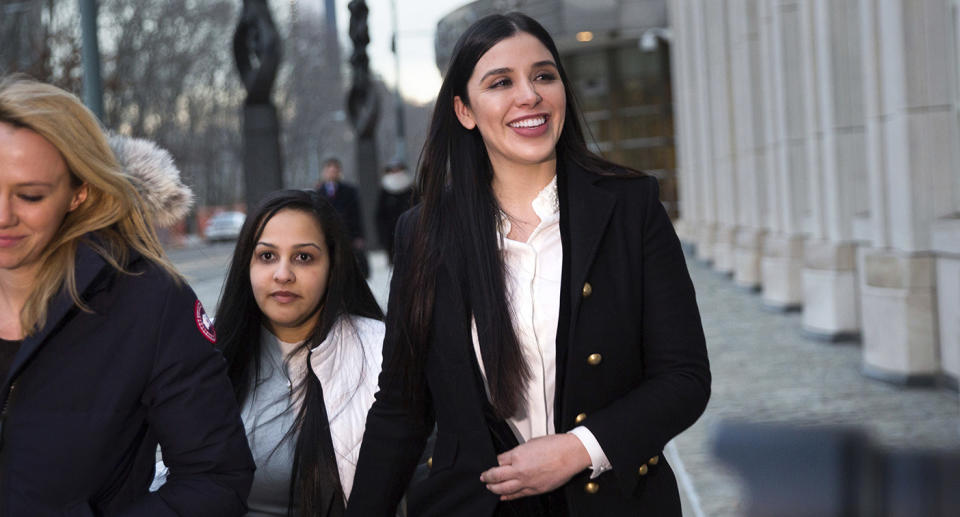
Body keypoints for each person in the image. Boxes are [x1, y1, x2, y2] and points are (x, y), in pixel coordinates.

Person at [345, 13, 711, 517]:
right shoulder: (424, 232)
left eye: (544, 75)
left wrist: (578, 448)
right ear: (465, 110)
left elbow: (684, 378)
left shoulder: (631, 207)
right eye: (500, 82)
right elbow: (401, 408)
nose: (529, 95)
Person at [0, 76, 254, 514]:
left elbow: (216, 478)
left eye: (30, 195)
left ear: (79, 193)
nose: (3, 216)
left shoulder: (150, 302)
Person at [215, 189, 385, 516]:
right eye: (267, 256)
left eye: (303, 257)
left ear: (333, 267)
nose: (283, 274)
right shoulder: (207, 354)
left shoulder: (380, 351)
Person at [316, 157, 369, 278]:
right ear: (324, 172)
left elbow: (356, 214)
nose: (332, 173)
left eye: (335, 171)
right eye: (329, 171)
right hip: (327, 235)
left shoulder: (350, 191)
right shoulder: (318, 192)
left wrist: (359, 236)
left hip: (347, 234)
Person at [374, 162, 416, 264]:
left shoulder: (412, 189)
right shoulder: (384, 192)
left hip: (411, 233)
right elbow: (380, 215)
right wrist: (383, 236)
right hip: (391, 235)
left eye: (399, 170)